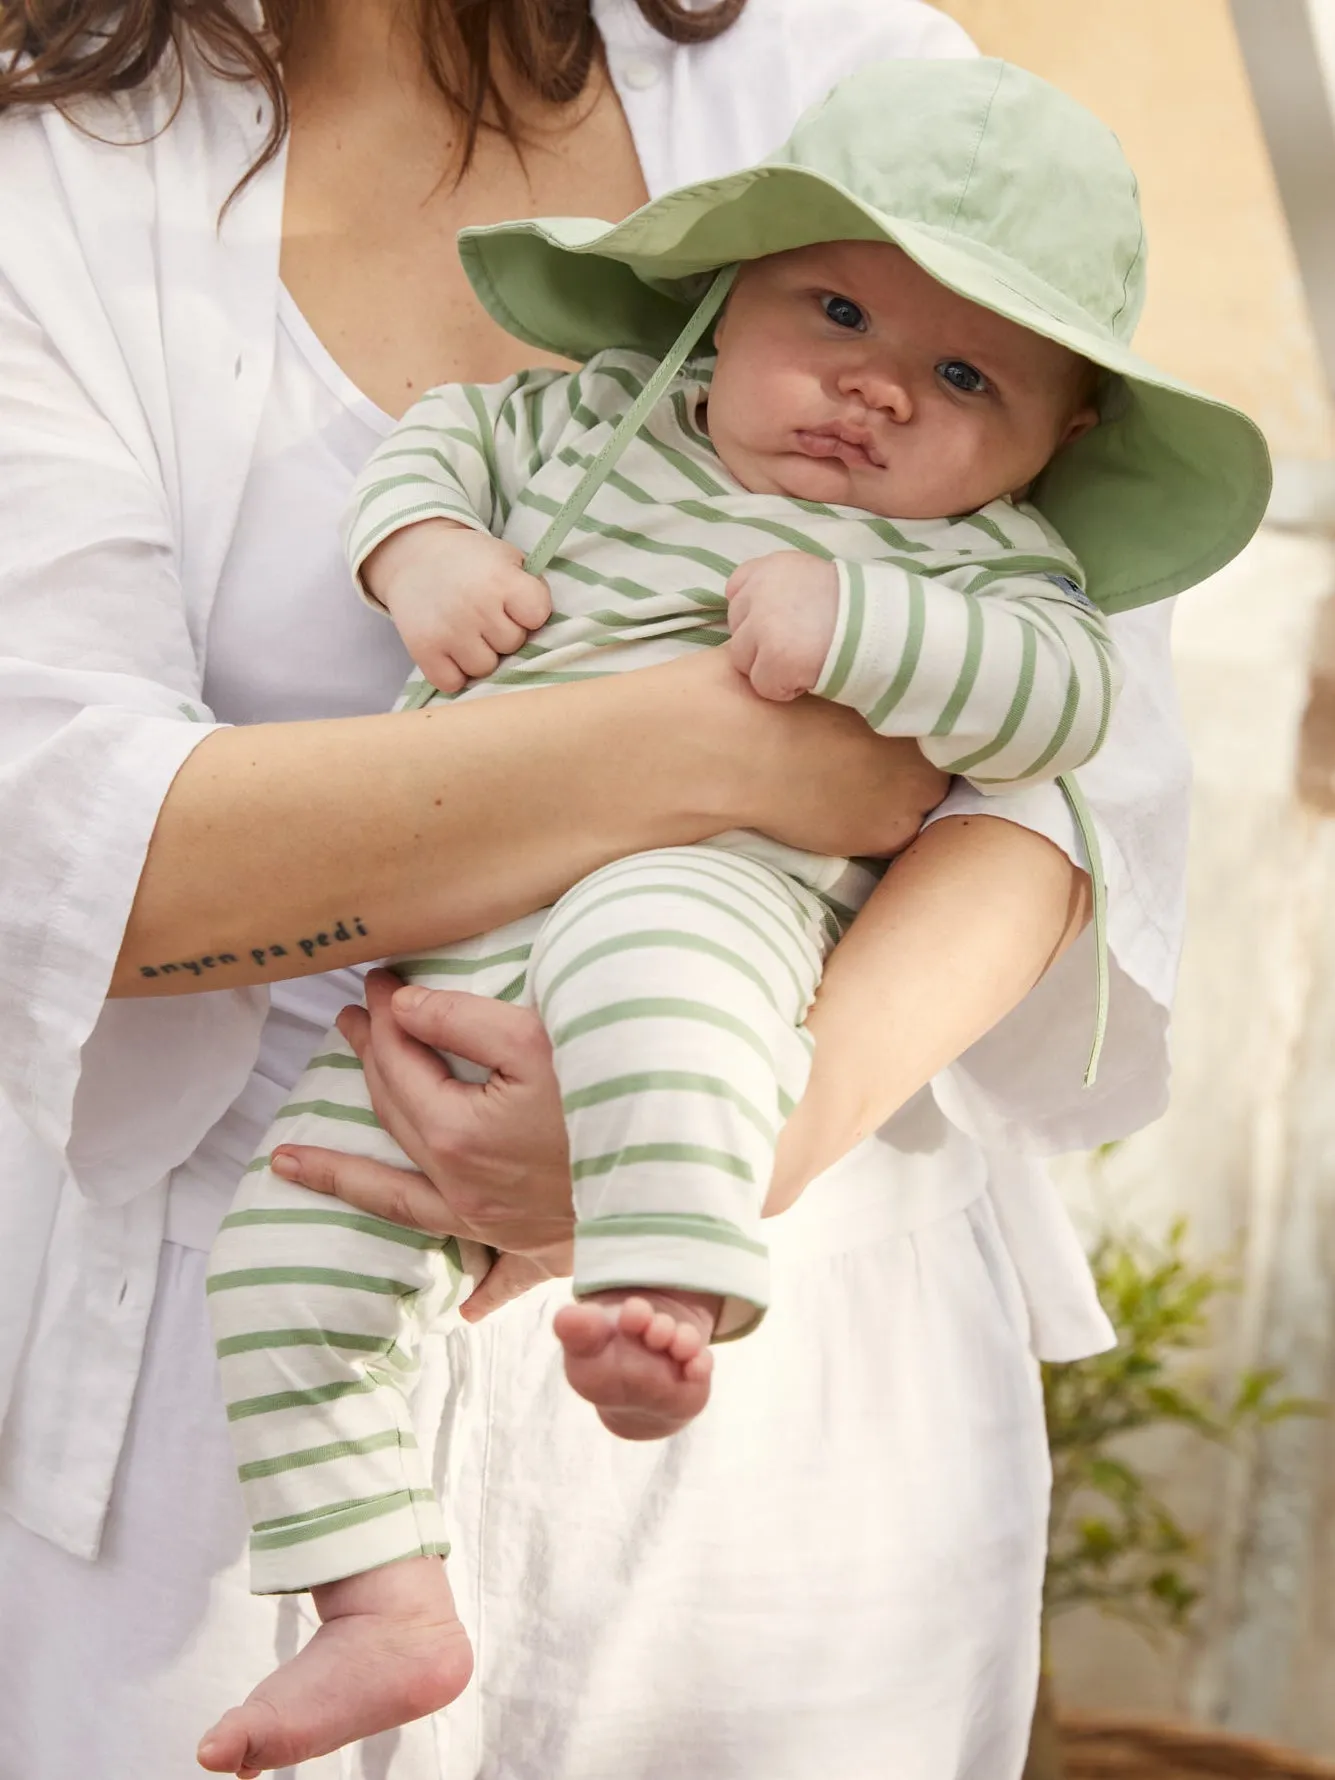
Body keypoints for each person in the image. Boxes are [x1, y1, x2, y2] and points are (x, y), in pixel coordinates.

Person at [0, 5, 1267, 1779]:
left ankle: (676, 1277)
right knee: (290, 1280)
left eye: (959, 379)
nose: (877, 382)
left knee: (651, 947)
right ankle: (377, 1601)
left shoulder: (856, 70)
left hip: (791, 1351)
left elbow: (1074, 784)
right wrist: (744, 750)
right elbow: (68, 854)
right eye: (826, 313)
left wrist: (703, 1150)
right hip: (272, 1239)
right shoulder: (49, 183)